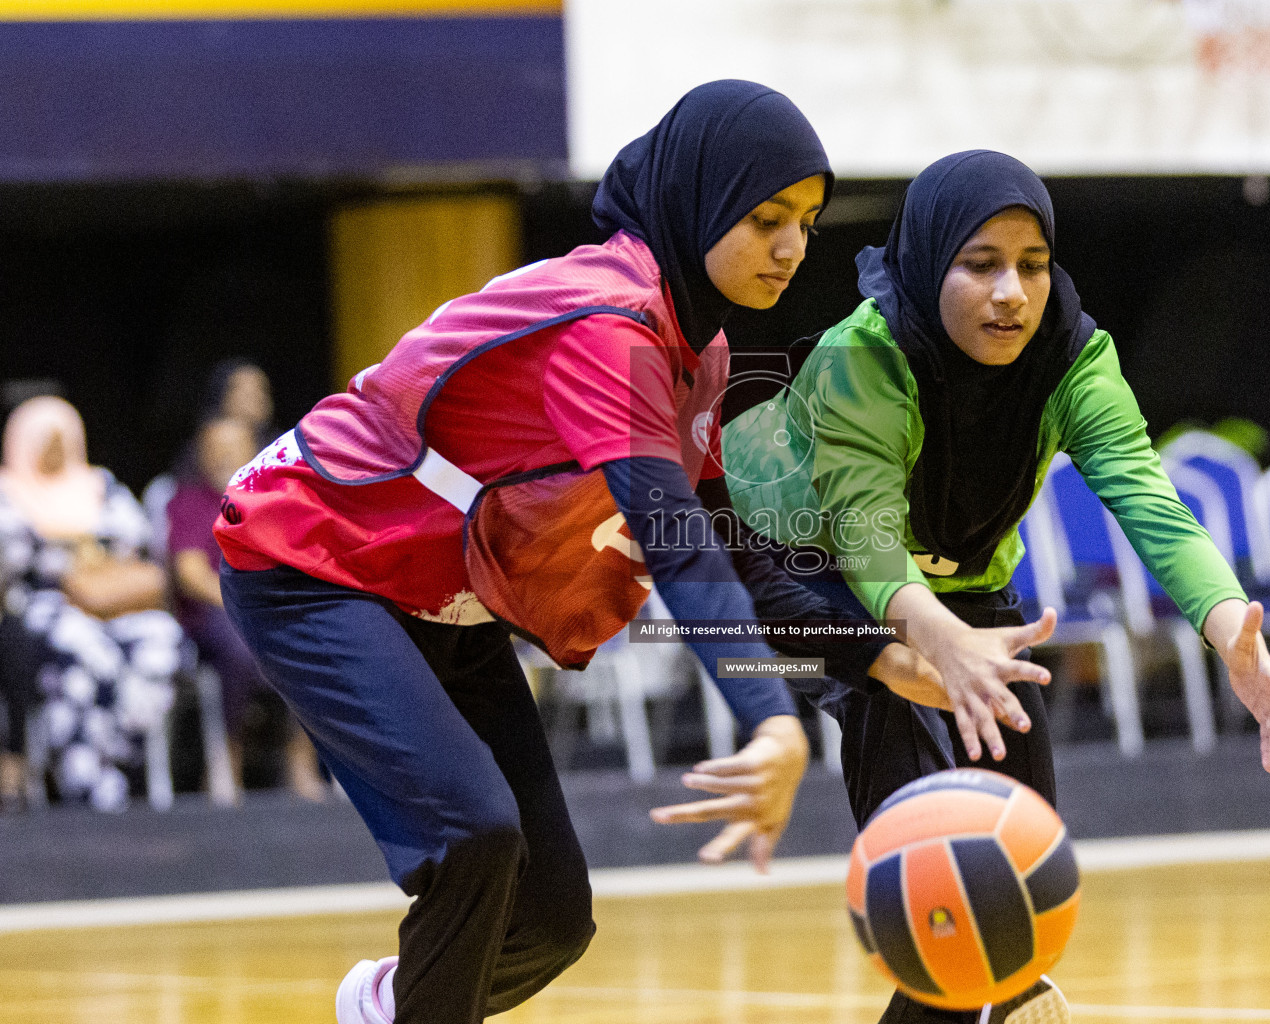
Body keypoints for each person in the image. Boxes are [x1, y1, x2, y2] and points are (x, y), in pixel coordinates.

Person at [213, 81, 941, 1024]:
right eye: (767, 218)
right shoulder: (608, 324)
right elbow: (676, 545)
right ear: (702, 203)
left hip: (445, 597)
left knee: (552, 920)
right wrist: (770, 718)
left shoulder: (700, 349)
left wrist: (872, 652)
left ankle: (388, 1006)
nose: (794, 245)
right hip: (309, 560)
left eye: (807, 219)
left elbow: (731, 543)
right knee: (473, 836)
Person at [722, 151, 1270, 1024]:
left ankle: (1007, 990)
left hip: (969, 594)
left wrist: (1229, 627)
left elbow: (1146, 496)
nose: (1012, 292)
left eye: (1032, 266)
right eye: (980, 265)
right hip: (812, 584)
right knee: (936, 877)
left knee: (1019, 885)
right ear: (931, 265)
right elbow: (868, 546)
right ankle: (996, 990)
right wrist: (933, 645)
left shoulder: (1076, 356)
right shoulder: (861, 358)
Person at [0, 396, 180, 812]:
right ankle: (88, 780)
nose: (55, 449)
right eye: (44, 440)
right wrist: (76, 557)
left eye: (63, 439)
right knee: (84, 654)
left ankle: (123, 755)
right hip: (46, 608)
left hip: (114, 607)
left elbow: (135, 537)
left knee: (162, 637)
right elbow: (14, 558)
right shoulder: (8, 490)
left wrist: (78, 555)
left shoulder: (101, 483)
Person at [166, 416, 326, 801]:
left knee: (312, 638)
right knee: (238, 649)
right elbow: (189, 573)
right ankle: (227, 757)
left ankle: (300, 756)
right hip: (212, 615)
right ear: (201, 454)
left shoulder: (273, 495)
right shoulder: (188, 501)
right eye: (216, 449)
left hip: (269, 608)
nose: (225, 457)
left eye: (234, 448)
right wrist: (243, 602)